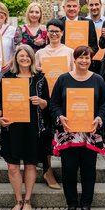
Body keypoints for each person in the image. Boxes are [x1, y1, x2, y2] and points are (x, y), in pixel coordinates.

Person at [50, 46, 105, 210]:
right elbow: (54, 104)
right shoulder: (63, 80)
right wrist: (60, 116)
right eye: (80, 58)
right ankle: (71, 202)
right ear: (74, 60)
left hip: (90, 133)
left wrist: (99, 118)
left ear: (91, 60)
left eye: (87, 58)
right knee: (68, 169)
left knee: (88, 169)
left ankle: (86, 203)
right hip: (69, 133)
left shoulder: (98, 80)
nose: (84, 61)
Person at [0, 45, 50, 210]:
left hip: (32, 127)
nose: (24, 58)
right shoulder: (8, 77)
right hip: (12, 127)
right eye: (21, 55)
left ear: (32, 58)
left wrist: (41, 102)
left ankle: (27, 200)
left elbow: (48, 103)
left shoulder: (40, 78)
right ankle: (17, 200)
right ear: (16, 58)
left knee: (30, 164)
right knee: (12, 166)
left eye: (28, 56)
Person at [33, 18, 72, 189]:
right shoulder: (40, 53)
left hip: (64, 99)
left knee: (64, 132)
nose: (54, 34)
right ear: (47, 33)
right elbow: (35, 77)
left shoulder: (69, 52)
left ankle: (67, 168)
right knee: (46, 135)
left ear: (62, 33)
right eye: (51, 31)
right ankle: (47, 170)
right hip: (45, 99)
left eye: (57, 31)